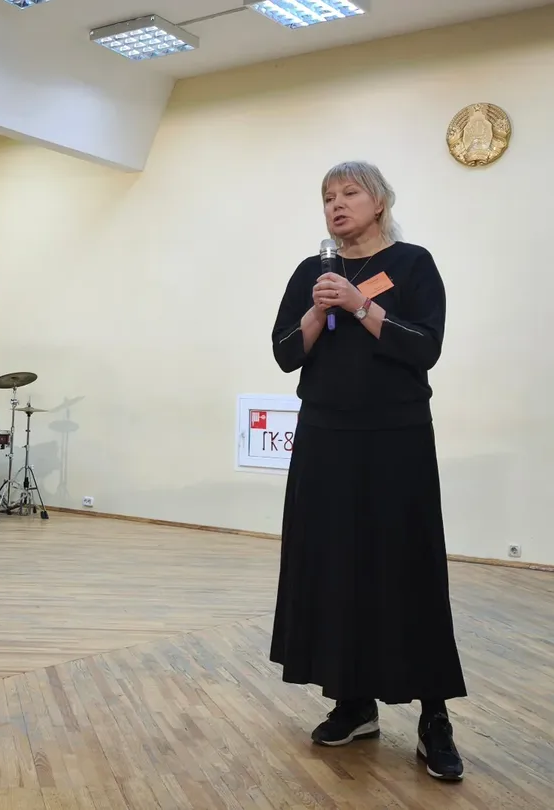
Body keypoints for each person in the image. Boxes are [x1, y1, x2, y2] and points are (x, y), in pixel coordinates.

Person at [269, 161, 467, 782]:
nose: (336, 204)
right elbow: (284, 354)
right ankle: (352, 703)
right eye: (327, 196)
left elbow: (424, 347)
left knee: (407, 568)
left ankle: (434, 718)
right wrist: (316, 311)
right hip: (325, 438)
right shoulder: (312, 271)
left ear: (379, 202)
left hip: (395, 438)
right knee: (333, 565)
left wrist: (359, 305)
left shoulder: (413, 264)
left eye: (349, 193)